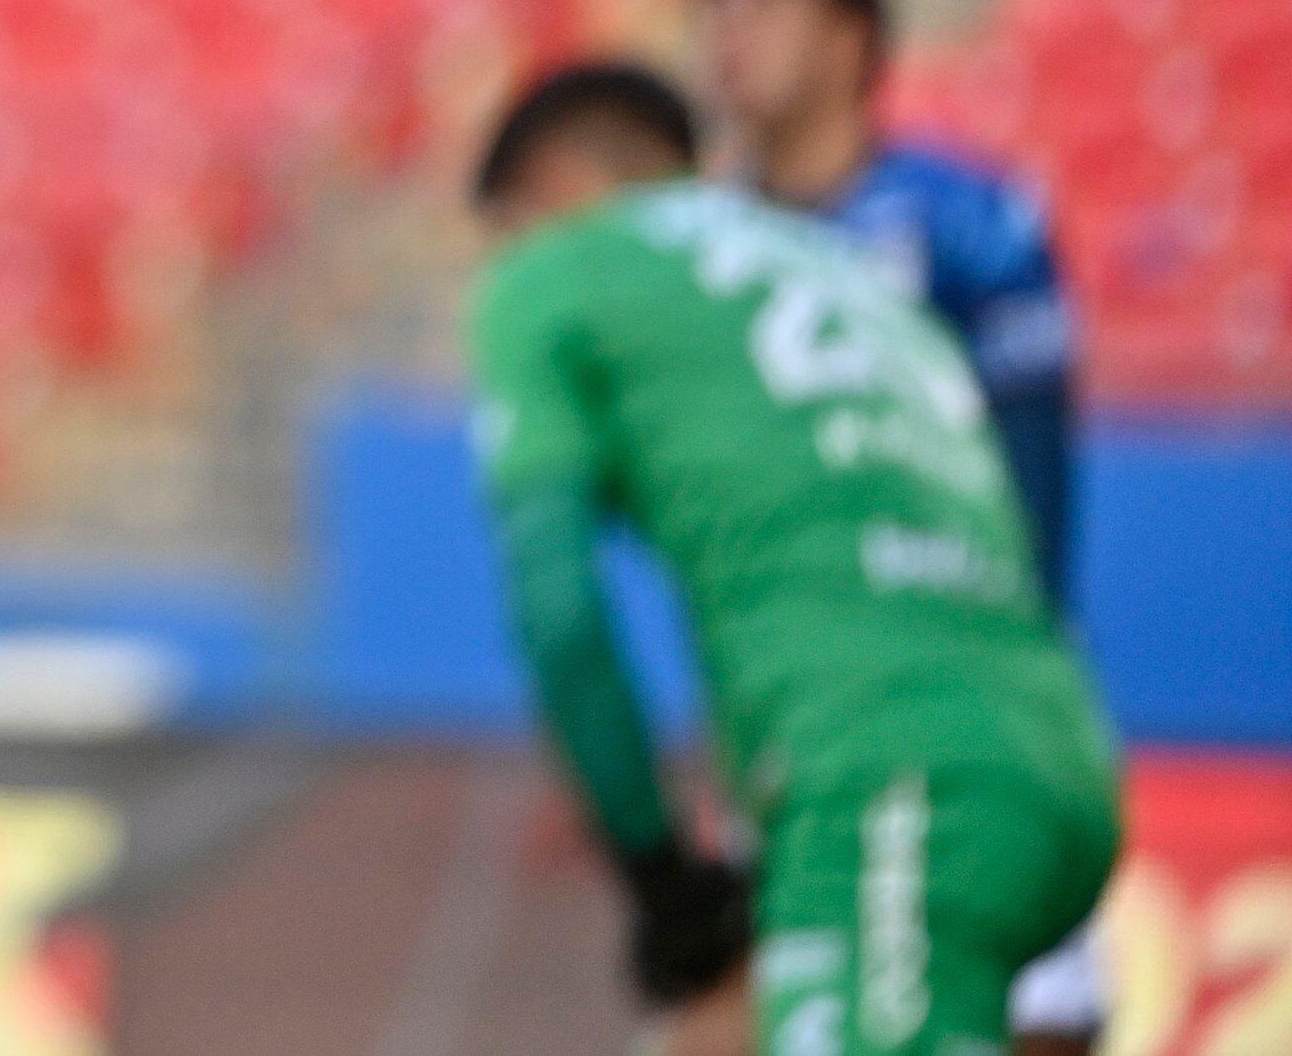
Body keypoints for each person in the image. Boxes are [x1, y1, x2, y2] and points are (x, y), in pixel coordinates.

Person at [467, 61, 1119, 1056]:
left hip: (883, 775)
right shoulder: (843, 269)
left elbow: (557, 609)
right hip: (1053, 756)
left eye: (500, 233)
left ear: (551, 186)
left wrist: (659, 877)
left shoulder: (556, 272)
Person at [702, 0, 1102, 1052]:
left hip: (972, 699)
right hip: (791, 716)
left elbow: (1031, 475)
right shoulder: (697, 248)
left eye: (766, 1)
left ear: (851, 39)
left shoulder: (969, 221)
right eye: (717, 5)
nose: (728, 31)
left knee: (1032, 1015)